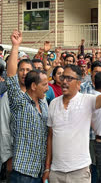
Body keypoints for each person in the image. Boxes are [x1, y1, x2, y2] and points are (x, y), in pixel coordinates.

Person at [43, 46, 101, 183]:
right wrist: (48, 168)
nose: (64, 81)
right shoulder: (54, 103)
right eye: (63, 77)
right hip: (56, 172)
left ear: (79, 83)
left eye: (69, 78)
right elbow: (50, 137)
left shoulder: (87, 100)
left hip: (79, 173)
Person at [6, 30, 49, 182]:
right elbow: (11, 76)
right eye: (44, 85)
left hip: (39, 172)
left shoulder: (44, 107)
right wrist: (15, 46)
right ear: (33, 86)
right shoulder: (20, 102)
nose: (47, 88)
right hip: (22, 173)